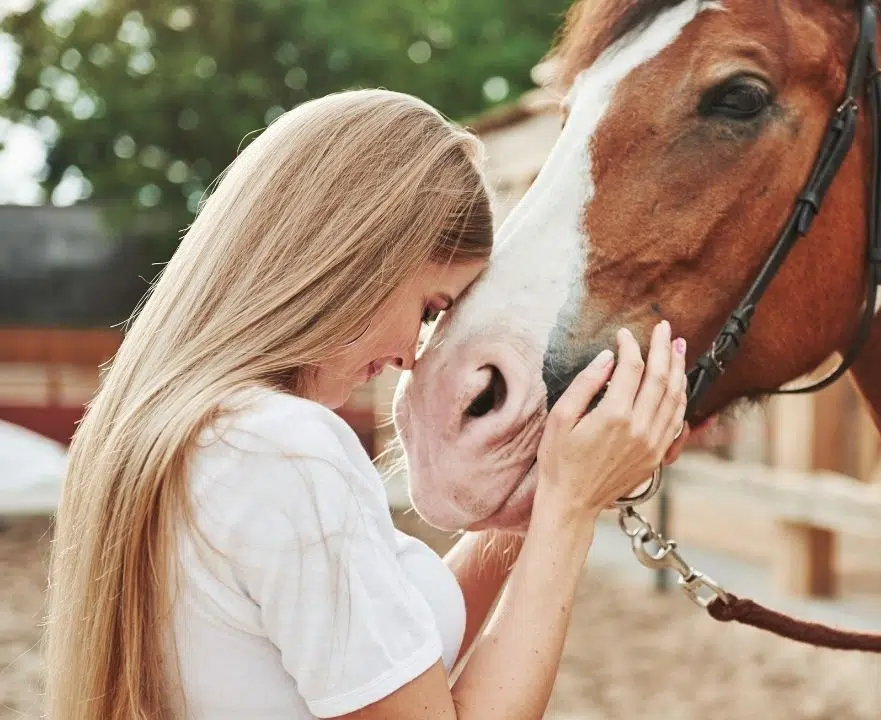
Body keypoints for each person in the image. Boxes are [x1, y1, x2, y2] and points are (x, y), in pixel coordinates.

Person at [44, 88, 690, 720]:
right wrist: (569, 509)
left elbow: (387, 663)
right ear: (358, 262)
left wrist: (538, 489)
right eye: (430, 309)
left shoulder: (194, 435)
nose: (412, 354)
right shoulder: (285, 451)